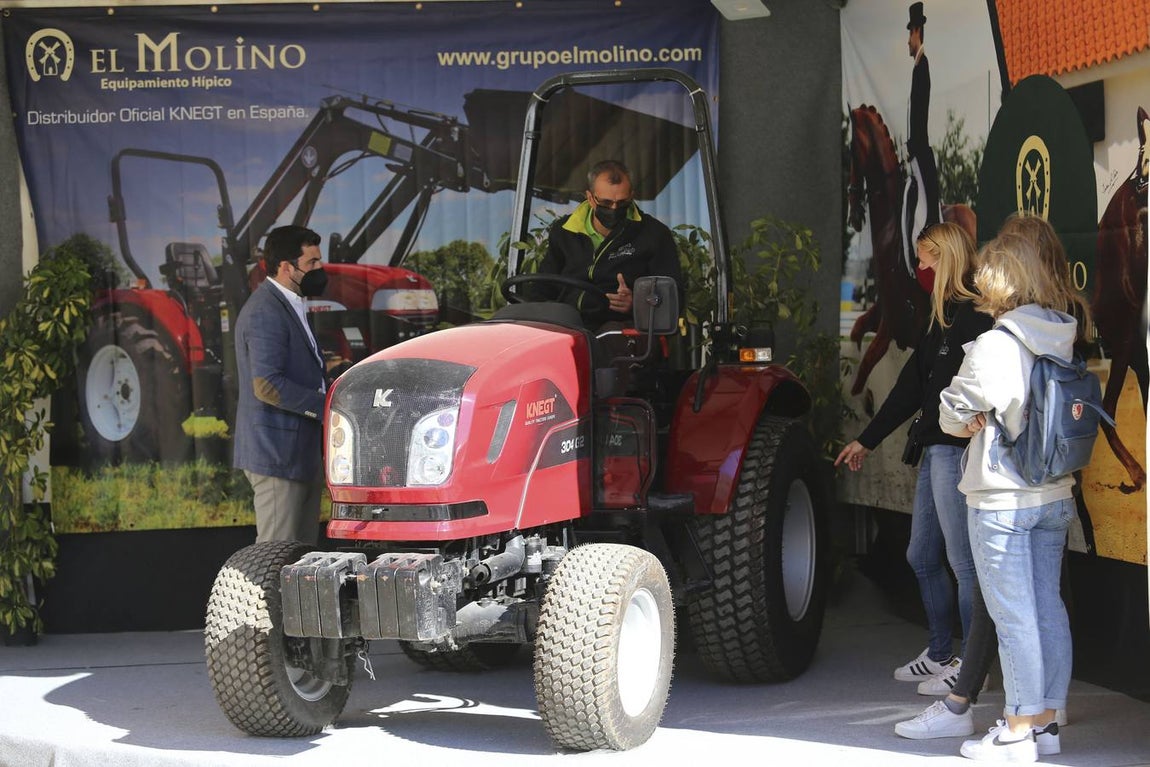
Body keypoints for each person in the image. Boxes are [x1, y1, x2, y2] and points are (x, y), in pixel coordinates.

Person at [937, 214, 1085, 762]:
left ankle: (1017, 730)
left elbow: (952, 415)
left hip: (1002, 497)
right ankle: (1046, 722)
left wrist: (968, 416)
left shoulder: (997, 344)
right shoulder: (1063, 335)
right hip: (1055, 493)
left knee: (1013, 612)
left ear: (1004, 283)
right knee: (1048, 608)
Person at [836, 222, 990, 689]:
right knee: (921, 555)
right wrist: (868, 439)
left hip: (955, 452)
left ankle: (971, 666)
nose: (919, 269)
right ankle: (943, 653)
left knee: (963, 563)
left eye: (926, 259)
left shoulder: (975, 318)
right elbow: (910, 388)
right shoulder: (939, 317)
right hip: (932, 449)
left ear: (947, 259)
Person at [233, 225, 329, 546]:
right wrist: (326, 406)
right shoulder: (265, 311)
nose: (319, 269)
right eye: (312, 263)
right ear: (287, 267)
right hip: (278, 457)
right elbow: (267, 385)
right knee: (275, 558)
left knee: (299, 562)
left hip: (298, 457)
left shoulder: (290, 304)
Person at [534, 159, 683, 327]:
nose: (613, 208)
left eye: (622, 203)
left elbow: (672, 298)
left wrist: (637, 304)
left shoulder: (654, 234)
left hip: (622, 332)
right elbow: (542, 289)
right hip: (568, 326)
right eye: (606, 203)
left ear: (632, 197)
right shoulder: (563, 232)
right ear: (590, 198)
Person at [903, 2, 942, 268]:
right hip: (915, 150)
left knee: (925, 210)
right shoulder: (917, 67)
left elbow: (919, 116)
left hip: (921, 151)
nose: (907, 42)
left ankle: (930, 252)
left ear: (916, 32)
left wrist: (915, 147)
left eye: (909, 35)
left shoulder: (923, 65)